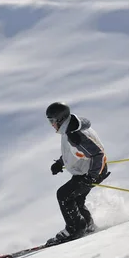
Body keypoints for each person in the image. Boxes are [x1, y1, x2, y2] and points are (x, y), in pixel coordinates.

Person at [45, 102, 110, 246]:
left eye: (52, 121)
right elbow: (75, 152)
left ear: (60, 119)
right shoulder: (71, 127)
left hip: (92, 171)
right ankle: (87, 226)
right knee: (76, 199)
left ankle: (74, 229)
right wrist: (60, 163)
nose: (51, 125)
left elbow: (97, 154)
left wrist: (91, 177)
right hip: (90, 170)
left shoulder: (75, 135)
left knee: (63, 195)